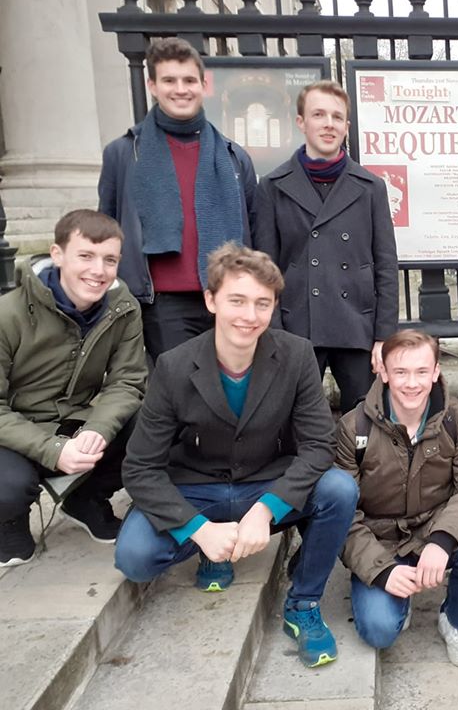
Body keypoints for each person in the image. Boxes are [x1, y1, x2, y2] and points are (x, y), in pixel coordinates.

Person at [114, 243, 358, 668]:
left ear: (274, 307)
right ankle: (214, 549)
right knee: (134, 558)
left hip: (263, 481)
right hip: (197, 487)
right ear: (211, 300)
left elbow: (319, 443)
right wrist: (198, 530)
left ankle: (303, 605)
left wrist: (267, 510)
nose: (249, 315)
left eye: (262, 303)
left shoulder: (297, 355)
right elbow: (139, 467)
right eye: (237, 300)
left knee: (339, 488)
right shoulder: (173, 367)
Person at [336, 330, 458, 668]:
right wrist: (381, 571)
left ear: (437, 371)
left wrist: (442, 540)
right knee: (379, 631)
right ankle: (398, 593)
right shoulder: (355, 427)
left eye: (421, 372)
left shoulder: (456, 418)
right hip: (380, 540)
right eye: (401, 372)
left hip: (434, 527)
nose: (412, 383)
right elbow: (341, 514)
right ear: (383, 372)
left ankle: (453, 618)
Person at [0, 210, 147, 565]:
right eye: (85, 256)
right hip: (16, 434)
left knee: (151, 423)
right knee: (8, 486)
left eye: (109, 259)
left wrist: (97, 429)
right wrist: (52, 450)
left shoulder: (123, 308)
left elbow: (128, 380)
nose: (98, 270)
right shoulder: (8, 314)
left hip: (77, 421)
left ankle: (87, 499)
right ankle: (9, 521)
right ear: (57, 254)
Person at [98, 38, 257, 361]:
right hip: (163, 304)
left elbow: (255, 228)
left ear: (204, 85)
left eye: (188, 80)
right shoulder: (125, 153)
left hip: (228, 296)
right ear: (152, 86)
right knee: (181, 396)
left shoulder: (233, 156)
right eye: (169, 80)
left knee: (230, 394)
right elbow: (107, 229)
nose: (180, 89)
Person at [253, 80, 399, 412]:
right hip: (298, 326)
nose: (328, 123)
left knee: (365, 422)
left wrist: (383, 336)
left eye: (337, 116)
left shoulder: (371, 187)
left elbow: (386, 265)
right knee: (294, 419)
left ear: (347, 126)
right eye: (319, 114)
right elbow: (265, 271)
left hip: (357, 325)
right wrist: (274, 332)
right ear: (301, 122)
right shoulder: (273, 187)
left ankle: (359, 466)